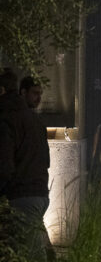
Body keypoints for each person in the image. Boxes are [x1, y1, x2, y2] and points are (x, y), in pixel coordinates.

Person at [0, 71, 50, 261]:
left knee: (31, 255)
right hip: (39, 193)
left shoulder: (7, 119)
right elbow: (45, 160)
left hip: (22, 196)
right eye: (35, 93)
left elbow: (4, 165)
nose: (39, 98)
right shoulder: (36, 120)